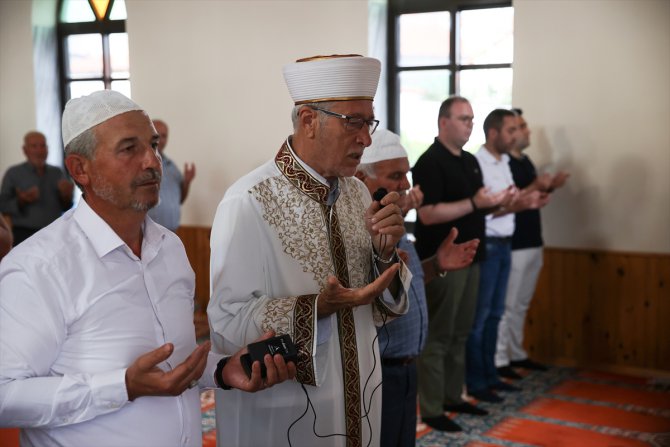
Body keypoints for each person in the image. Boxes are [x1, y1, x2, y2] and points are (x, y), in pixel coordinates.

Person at [0, 90, 295, 447]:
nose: (152, 162)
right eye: (129, 149)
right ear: (80, 169)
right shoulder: (40, 267)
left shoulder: (169, 248)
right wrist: (122, 386)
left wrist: (222, 369)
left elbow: (174, 367)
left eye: (153, 145)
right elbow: (6, 396)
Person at [208, 55, 409, 447]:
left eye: (368, 123)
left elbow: (379, 308)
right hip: (284, 407)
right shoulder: (249, 200)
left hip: (358, 395)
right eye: (353, 122)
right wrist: (317, 308)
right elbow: (226, 320)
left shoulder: (357, 193)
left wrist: (385, 255)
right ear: (309, 120)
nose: (366, 139)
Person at [355, 128, 480, 447]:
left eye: (406, 174)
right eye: (396, 176)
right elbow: (368, 297)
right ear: (361, 179)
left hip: (407, 367)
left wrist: (436, 264)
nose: (406, 185)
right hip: (380, 371)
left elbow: (400, 285)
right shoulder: (357, 231)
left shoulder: (392, 222)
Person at [412, 97, 510, 432]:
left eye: (471, 119)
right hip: (442, 260)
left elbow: (477, 207)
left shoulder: (469, 161)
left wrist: (502, 203)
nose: (470, 124)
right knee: (439, 335)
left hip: (474, 256)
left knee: (461, 332)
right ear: (444, 122)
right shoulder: (429, 162)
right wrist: (474, 202)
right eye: (463, 118)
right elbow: (427, 214)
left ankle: (454, 396)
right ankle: (432, 407)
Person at [465, 109, 548, 403]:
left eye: (516, 130)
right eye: (510, 130)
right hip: (489, 242)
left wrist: (527, 200)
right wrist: (518, 205)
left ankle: (492, 375)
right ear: (493, 133)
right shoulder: (479, 162)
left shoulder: (503, 162)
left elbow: (507, 201)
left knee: (496, 314)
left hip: (506, 242)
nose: (515, 136)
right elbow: (485, 211)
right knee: (482, 316)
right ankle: (477, 380)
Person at [495, 108, 569, 379]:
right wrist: (537, 185)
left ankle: (516, 353)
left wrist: (548, 187)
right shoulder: (504, 163)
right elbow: (507, 200)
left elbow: (529, 195)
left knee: (521, 303)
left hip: (532, 239)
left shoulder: (524, 160)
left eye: (523, 126)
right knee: (507, 305)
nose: (526, 132)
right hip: (514, 242)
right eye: (519, 127)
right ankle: (500, 358)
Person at [0, 131, 74, 245]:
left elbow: (66, 206)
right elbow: (3, 206)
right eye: (34, 146)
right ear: (25, 150)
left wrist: (66, 196)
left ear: (47, 149)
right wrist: (21, 201)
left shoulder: (57, 172)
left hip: (54, 233)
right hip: (23, 236)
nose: (39, 151)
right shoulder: (13, 173)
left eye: (43, 146)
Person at [147, 119, 196, 231]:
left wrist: (187, 182)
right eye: (157, 135)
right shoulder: (139, 164)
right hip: (148, 234)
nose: (160, 140)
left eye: (164, 136)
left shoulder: (172, 166)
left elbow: (180, 199)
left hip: (172, 233)